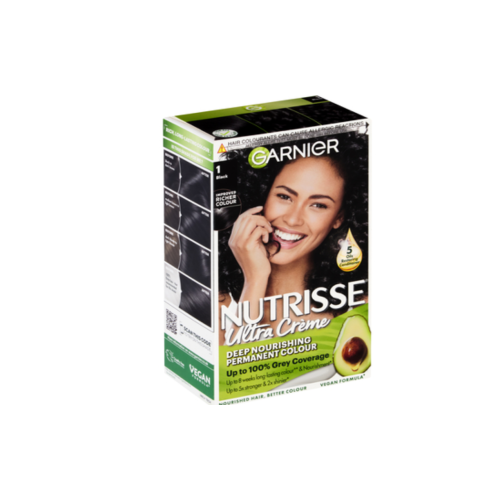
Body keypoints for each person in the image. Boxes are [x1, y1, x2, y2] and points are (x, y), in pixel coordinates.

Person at [218, 132, 368, 345]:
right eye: (284, 196)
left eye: (318, 205)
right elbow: (236, 363)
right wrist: (255, 279)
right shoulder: (219, 302)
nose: (293, 219)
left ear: (339, 217)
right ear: (262, 194)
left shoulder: (359, 305)